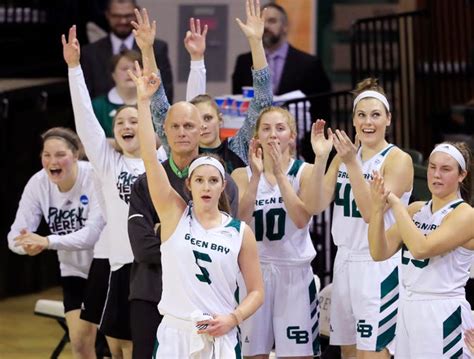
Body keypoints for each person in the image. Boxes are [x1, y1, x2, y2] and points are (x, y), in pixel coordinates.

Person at [128, 58, 264, 357]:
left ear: (223, 185)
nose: (206, 185)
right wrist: (141, 100)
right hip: (176, 330)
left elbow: (257, 291)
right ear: (188, 186)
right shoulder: (176, 216)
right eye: (199, 180)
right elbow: (150, 158)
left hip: (218, 330)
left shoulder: (238, 232)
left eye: (212, 180)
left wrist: (235, 317)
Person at [62, 24, 165, 358]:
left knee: (144, 348)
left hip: (155, 267)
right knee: (118, 348)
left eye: (133, 120)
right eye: (120, 122)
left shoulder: (159, 159)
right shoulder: (108, 162)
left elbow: (163, 110)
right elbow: (86, 122)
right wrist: (74, 68)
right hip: (119, 266)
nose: (126, 126)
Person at [308, 78, 413, 358]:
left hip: (377, 265)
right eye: (362, 115)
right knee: (349, 352)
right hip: (344, 260)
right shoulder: (343, 156)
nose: (368, 122)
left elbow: (371, 213)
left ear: (388, 119)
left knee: (373, 355)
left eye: (376, 115)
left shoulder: (397, 160)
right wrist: (321, 158)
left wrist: (352, 163)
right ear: (353, 119)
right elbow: (316, 205)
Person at [231, 106, 323, 358]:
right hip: (253, 275)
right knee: (251, 355)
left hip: (293, 273)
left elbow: (302, 218)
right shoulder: (241, 174)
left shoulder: (306, 172)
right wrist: (256, 177)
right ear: (257, 137)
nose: (273, 135)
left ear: (292, 136)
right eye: (266, 129)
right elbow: (238, 221)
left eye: (280, 128)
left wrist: (280, 175)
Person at [368, 142, 474, 358]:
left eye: (446, 169)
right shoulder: (417, 209)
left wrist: (396, 205)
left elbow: (421, 248)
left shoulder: (465, 214)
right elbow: (379, 252)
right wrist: (378, 209)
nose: (436, 175)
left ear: (462, 175)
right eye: (433, 167)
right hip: (408, 306)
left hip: (443, 311)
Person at [7, 127, 104, 359]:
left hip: (106, 266)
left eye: (60, 154)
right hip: (73, 270)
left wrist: (47, 241)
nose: (52, 161)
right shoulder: (38, 183)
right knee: (80, 344)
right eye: (46, 155)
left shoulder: (94, 177)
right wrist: (26, 246)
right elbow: (14, 235)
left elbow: (91, 235)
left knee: (115, 346)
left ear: (76, 154)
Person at [152, 0, 273, 174]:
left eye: (208, 118)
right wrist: (147, 48)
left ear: (220, 119)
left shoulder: (239, 147)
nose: (203, 126)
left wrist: (255, 42)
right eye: (196, 121)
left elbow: (263, 102)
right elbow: (158, 107)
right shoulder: (180, 150)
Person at [232, 2, 330, 99]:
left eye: (272, 21)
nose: (265, 26)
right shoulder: (244, 62)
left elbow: (320, 105)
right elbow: (236, 101)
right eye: (262, 22)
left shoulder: (309, 64)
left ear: (285, 27)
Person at [81, 0, 173, 101]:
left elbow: (166, 91)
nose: (123, 21)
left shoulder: (156, 48)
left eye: (128, 16)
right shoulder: (90, 53)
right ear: (107, 15)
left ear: (136, 13)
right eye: (116, 16)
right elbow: (85, 95)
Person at [92, 49, 141, 137]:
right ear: (113, 74)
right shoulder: (98, 106)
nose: (130, 73)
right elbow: (91, 140)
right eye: (124, 69)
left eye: (135, 68)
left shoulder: (155, 103)